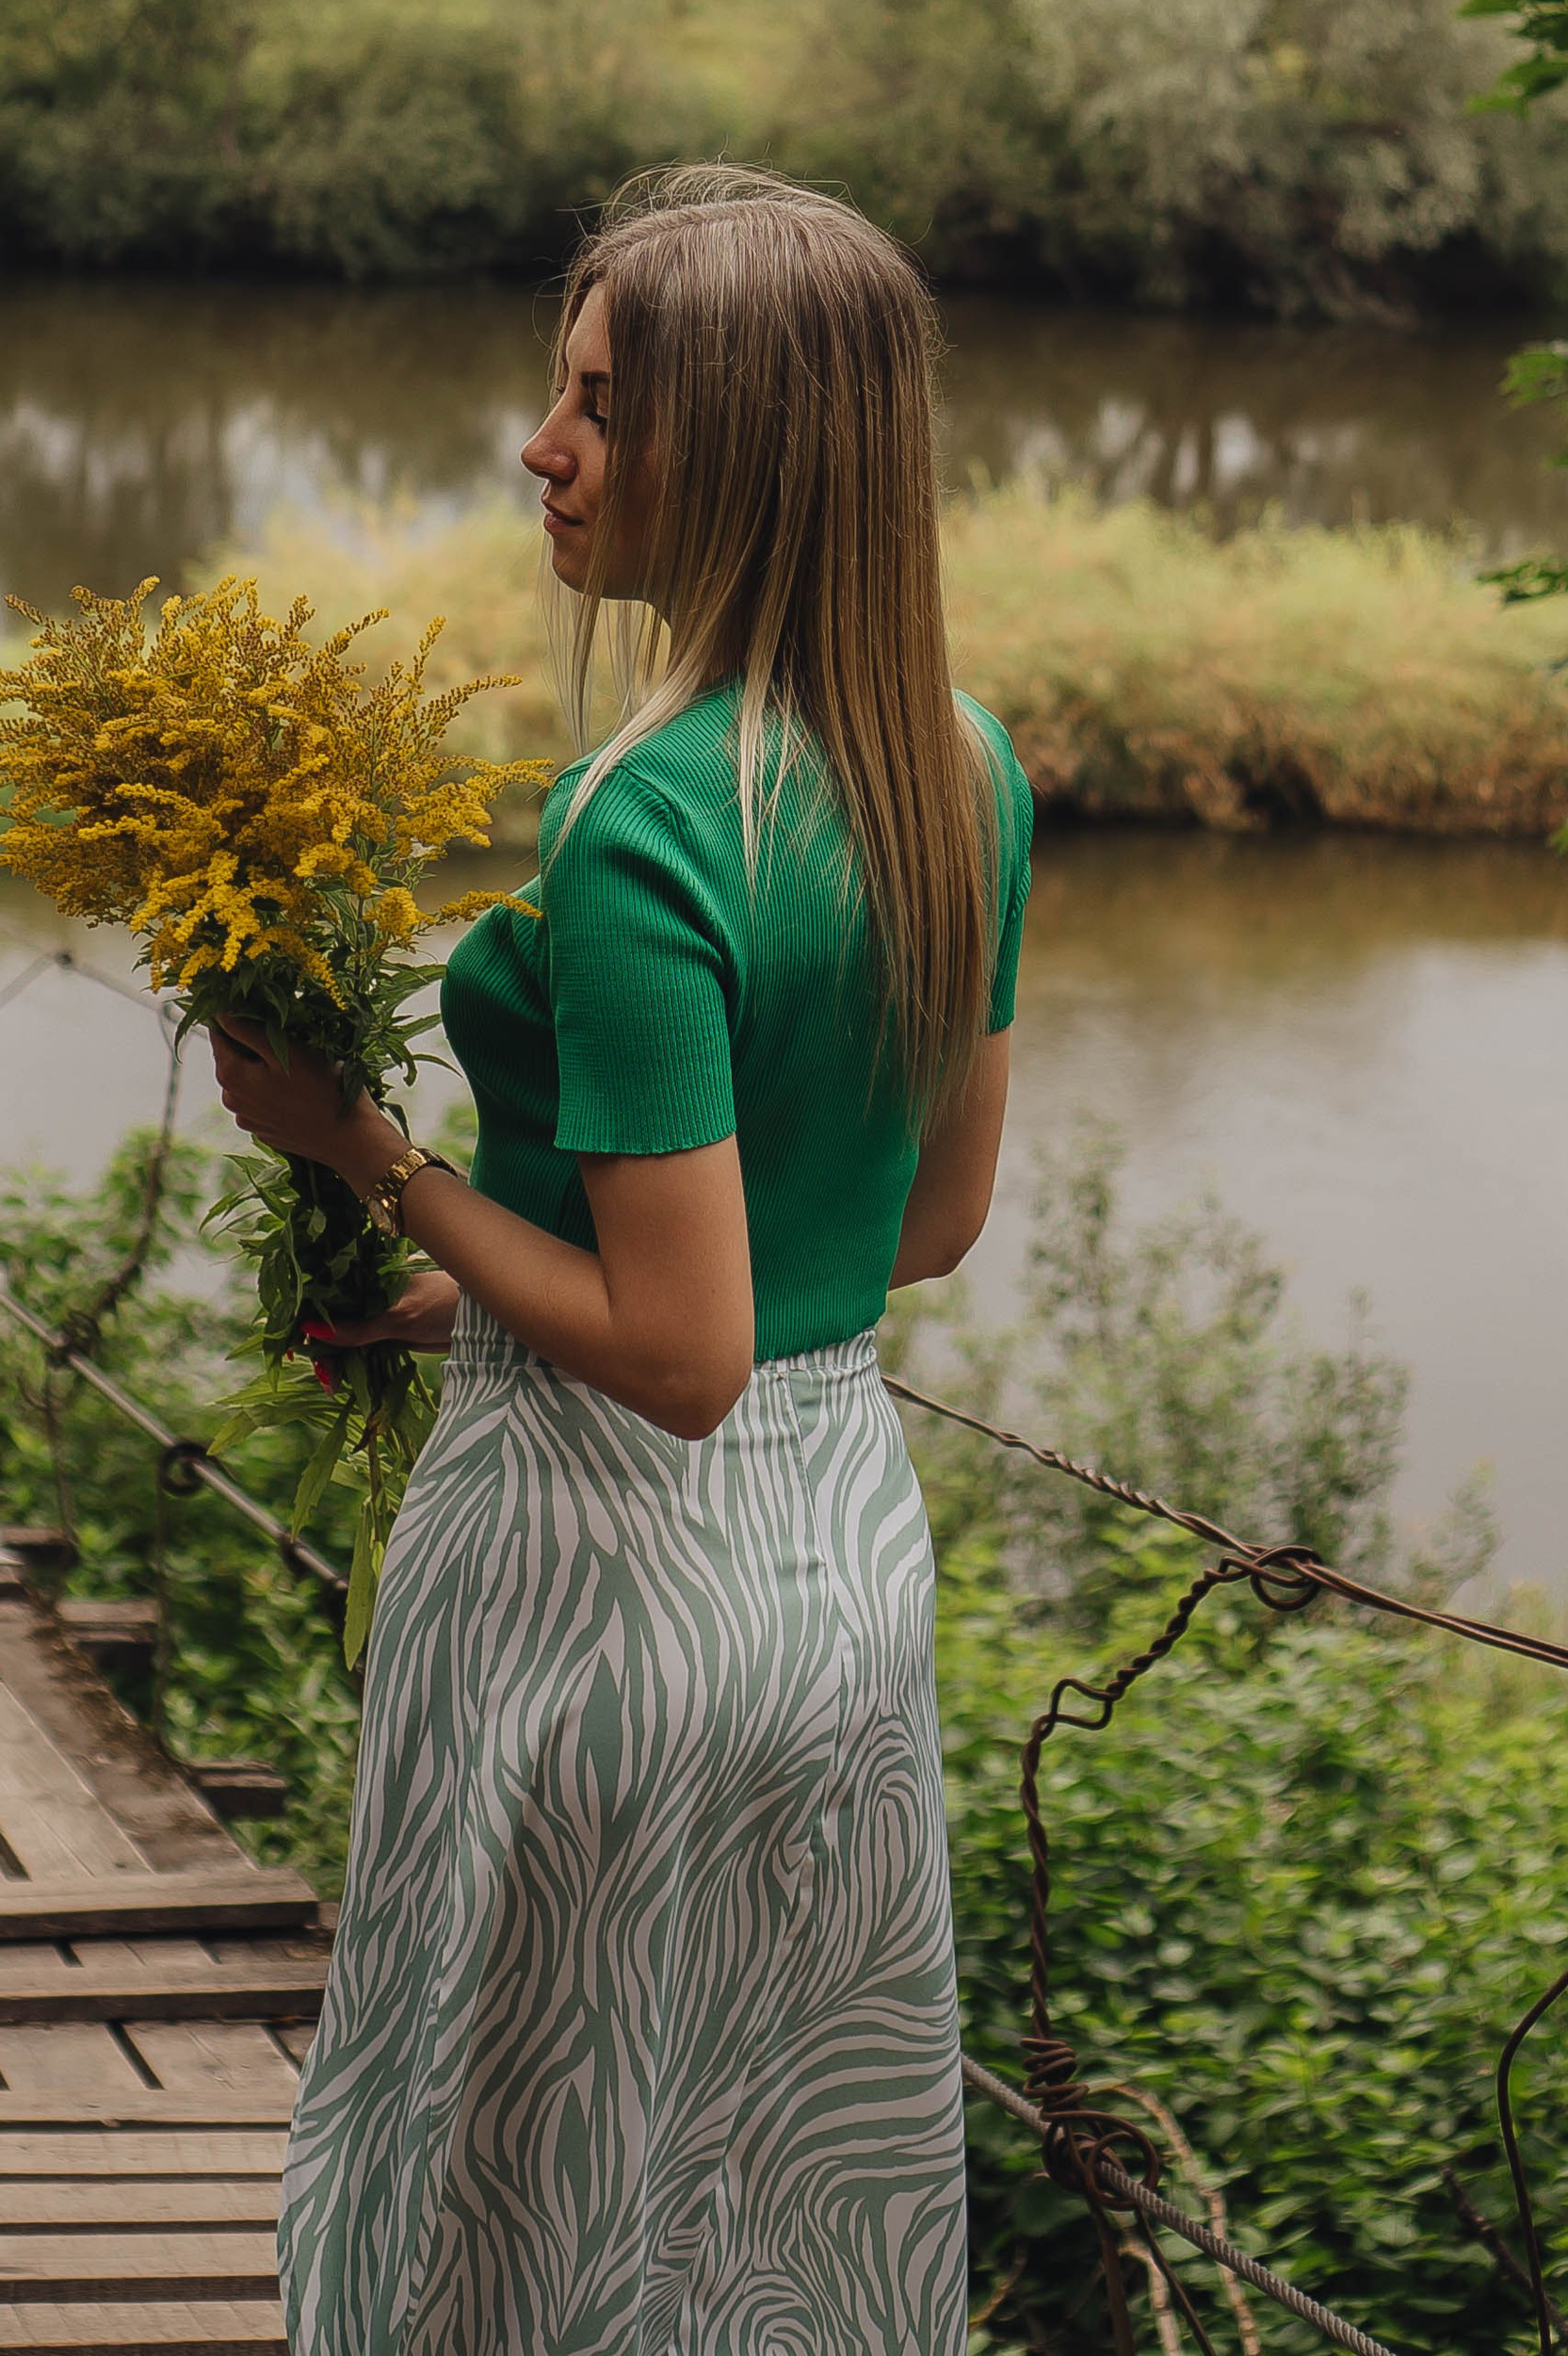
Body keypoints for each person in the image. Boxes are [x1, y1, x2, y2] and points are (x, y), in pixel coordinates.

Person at [212, 165, 1034, 2356]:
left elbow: (675, 1353)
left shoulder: (643, 818)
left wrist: (367, 1151)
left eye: (596, 407)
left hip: (599, 1593)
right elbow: (910, 1228)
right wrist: (468, 1288)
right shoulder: (962, 768)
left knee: (499, 2195)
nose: (539, 446)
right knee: (765, 2198)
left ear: (746, 450)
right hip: (836, 1588)